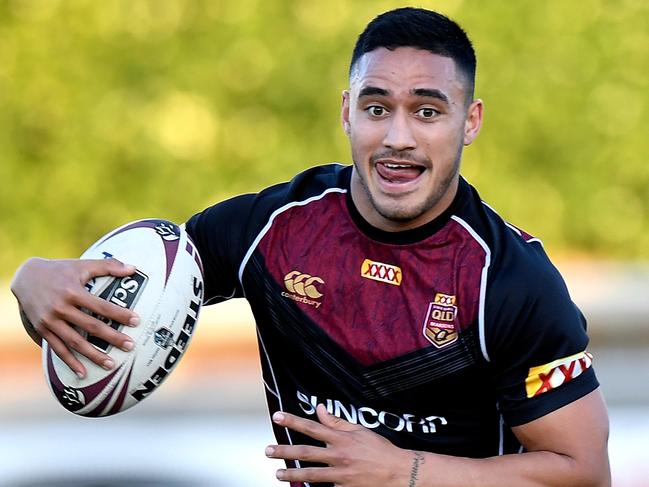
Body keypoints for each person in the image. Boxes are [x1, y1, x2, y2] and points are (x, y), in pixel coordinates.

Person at [11, 7, 610, 487]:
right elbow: (141, 290)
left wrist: (405, 472)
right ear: (347, 112)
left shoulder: (510, 280)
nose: (398, 138)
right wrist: (33, 279)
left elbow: (582, 472)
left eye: (428, 111)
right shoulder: (273, 229)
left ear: (470, 122)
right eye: (377, 108)